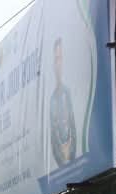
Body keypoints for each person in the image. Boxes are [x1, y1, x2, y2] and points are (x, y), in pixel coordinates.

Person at [50, 37, 78, 167]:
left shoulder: (71, 93)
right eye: (56, 60)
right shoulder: (52, 99)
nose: (58, 64)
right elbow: (53, 138)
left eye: (60, 59)